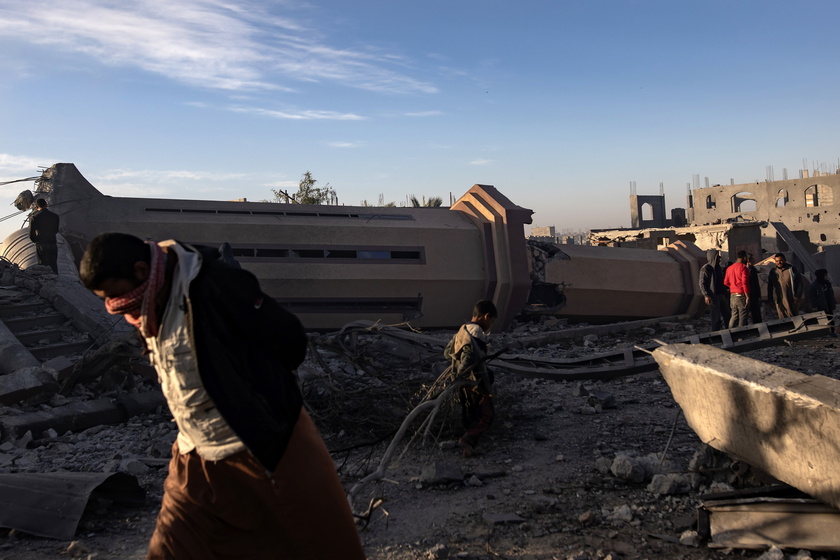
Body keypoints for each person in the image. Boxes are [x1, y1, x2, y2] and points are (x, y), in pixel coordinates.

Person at [79, 233, 364, 560]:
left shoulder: (213, 286)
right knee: (171, 550)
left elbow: (289, 341)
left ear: (142, 271)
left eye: (115, 294)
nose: (114, 307)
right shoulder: (149, 303)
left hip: (261, 446)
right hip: (193, 455)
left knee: (317, 543)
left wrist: (257, 396)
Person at [444, 300, 498, 458]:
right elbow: (468, 354)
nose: (490, 325)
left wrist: (457, 370)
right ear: (486, 316)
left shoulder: (462, 329)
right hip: (475, 382)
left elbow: (447, 353)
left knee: (470, 413)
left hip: (464, 383)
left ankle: (468, 449)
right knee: (486, 415)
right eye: (492, 321)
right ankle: (467, 441)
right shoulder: (476, 331)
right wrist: (462, 372)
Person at [698, 249, 730, 331]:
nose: (719, 259)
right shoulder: (706, 268)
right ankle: (716, 335)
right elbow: (702, 283)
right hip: (713, 296)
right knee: (716, 318)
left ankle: (729, 332)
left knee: (727, 315)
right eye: (718, 257)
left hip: (721, 294)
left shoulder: (718, 268)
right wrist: (706, 295)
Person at [767, 253, 803, 319]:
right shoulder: (773, 272)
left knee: (794, 317)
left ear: (784, 260)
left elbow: (799, 283)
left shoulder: (791, 270)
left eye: (780, 260)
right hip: (779, 300)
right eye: (777, 261)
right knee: (782, 318)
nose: (779, 262)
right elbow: (770, 286)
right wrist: (770, 299)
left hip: (792, 298)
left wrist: (797, 296)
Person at [29, 198, 60, 273]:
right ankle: (55, 280)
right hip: (52, 242)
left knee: (42, 265)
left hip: (41, 243)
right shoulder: (55, 216)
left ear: (36, 207)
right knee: (53, 264)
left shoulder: (34, 217)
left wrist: (37, 240)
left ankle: (45, 282)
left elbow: (31, 234)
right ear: (46, 205)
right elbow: (56, 230)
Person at [723, 250, 751, 328]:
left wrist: (733, 287)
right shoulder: (744, 268)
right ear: (745, 257)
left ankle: (730, 333)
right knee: (743, 315)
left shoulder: (729, 268)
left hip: (732, 295)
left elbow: (725, 282)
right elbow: (744, 283)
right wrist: (747, 296)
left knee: (734, 315)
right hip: (741, 295)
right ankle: (741, 336)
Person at [808, 268, 837, 336]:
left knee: (831, 318)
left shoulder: (827, 284)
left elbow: (831, 294)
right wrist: (814, 305)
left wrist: (833, 302)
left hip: (828, 304)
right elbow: (812, 297)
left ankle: (832, 332)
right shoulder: (814, 285)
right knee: (822, 319)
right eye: (825, 275)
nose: (826, 276)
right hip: (821, 305)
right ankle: (823, 333)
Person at [746, 253, 763, 324]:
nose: (753, 261)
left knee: (756, 313)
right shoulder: (742, 269)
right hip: (746, 294)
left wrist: (758, 295)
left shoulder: (753, 269)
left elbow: (756, 283)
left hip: (754, 294)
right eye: (751, 260)